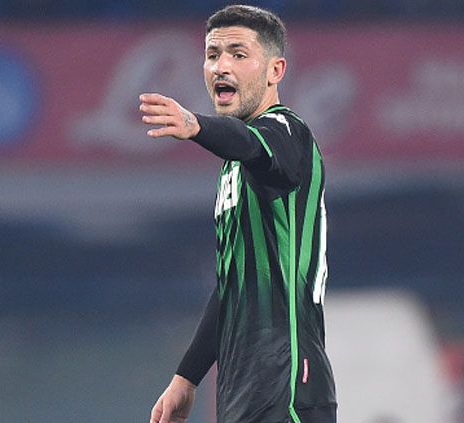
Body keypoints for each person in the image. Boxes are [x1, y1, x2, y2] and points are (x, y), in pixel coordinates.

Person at [139, 5, 337, 423]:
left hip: (288, 387)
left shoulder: (288, 132)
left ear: (275, 70)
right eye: (212, 55)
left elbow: (249, 143)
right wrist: (186, 377)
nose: (221, 66)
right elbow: (234, 284)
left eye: (238, 54)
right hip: (243, 392)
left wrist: (196, 125)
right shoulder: (234, 169)